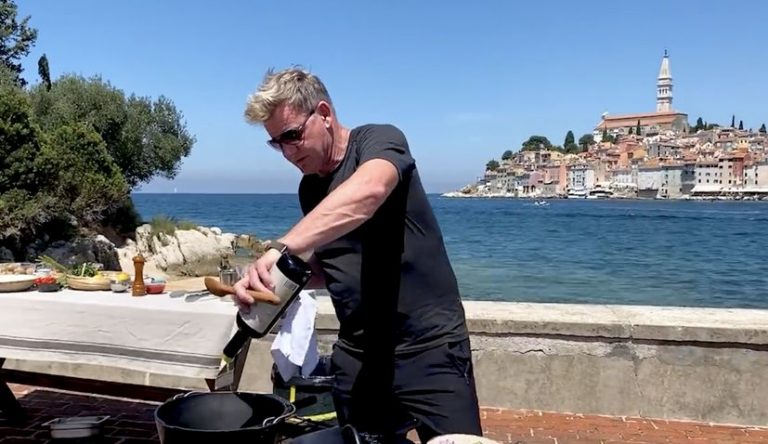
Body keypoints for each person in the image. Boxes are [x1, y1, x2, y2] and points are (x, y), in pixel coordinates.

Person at [234, 67, 482, 443]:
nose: (287, 152)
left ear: (324, 114)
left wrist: (281, 247)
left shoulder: (379, 140)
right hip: (359, 355)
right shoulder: (309, 189)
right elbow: (331, 265)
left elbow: (370, 191)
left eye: (292, 136)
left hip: (430, 348)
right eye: (276, 143)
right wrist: (274, 281)